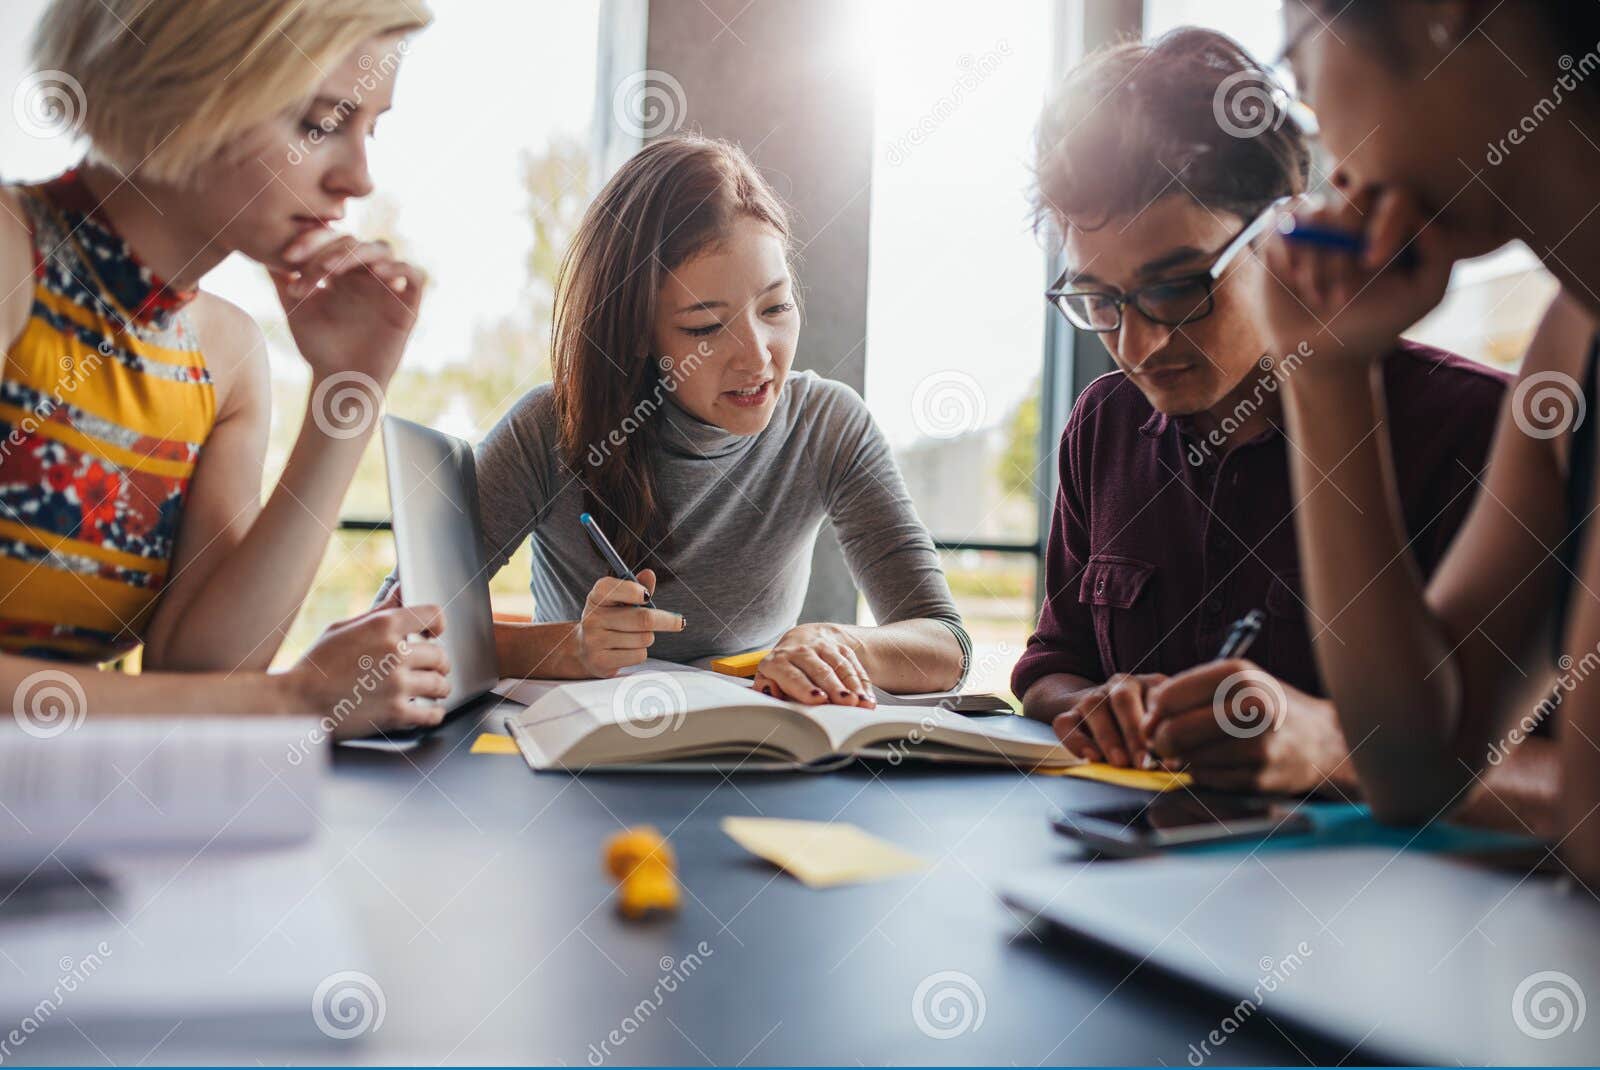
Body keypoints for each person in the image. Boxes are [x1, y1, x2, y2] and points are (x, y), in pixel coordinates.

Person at [1010, 27, 1555, 829]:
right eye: (1099, 301)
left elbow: (1567, 784)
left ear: (1284, 227)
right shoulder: (1105, 426)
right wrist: (1099, 708)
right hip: (1136, 883)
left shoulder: (1487, 429)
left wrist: (1329, 751)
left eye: (1179, 288)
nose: (1138, 345)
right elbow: (1052, 666)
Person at [1, 0, 450, 736]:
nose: (361, 178)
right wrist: (292, 701)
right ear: (187, 90)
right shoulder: (10, 252)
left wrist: (349, 391)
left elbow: (200, 671)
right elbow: (230, 699)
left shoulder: (229, 355)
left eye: (372, 127)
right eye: (319, 124)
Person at [422, 135, 969, 706]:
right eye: (706, 328)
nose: (758, 357)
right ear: (636, 334)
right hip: (579, 766)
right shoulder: (550, 428)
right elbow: (405, 626)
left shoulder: (828, 425)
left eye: (776, 308)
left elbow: (946, 644)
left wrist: (840, 642)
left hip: (759, 757)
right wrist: (570, 648)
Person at [1248, 1, 1600, 876]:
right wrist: (1324, 371)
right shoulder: (1568, 350)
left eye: (1299, 67)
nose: (1322, 136)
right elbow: (1415, 767)